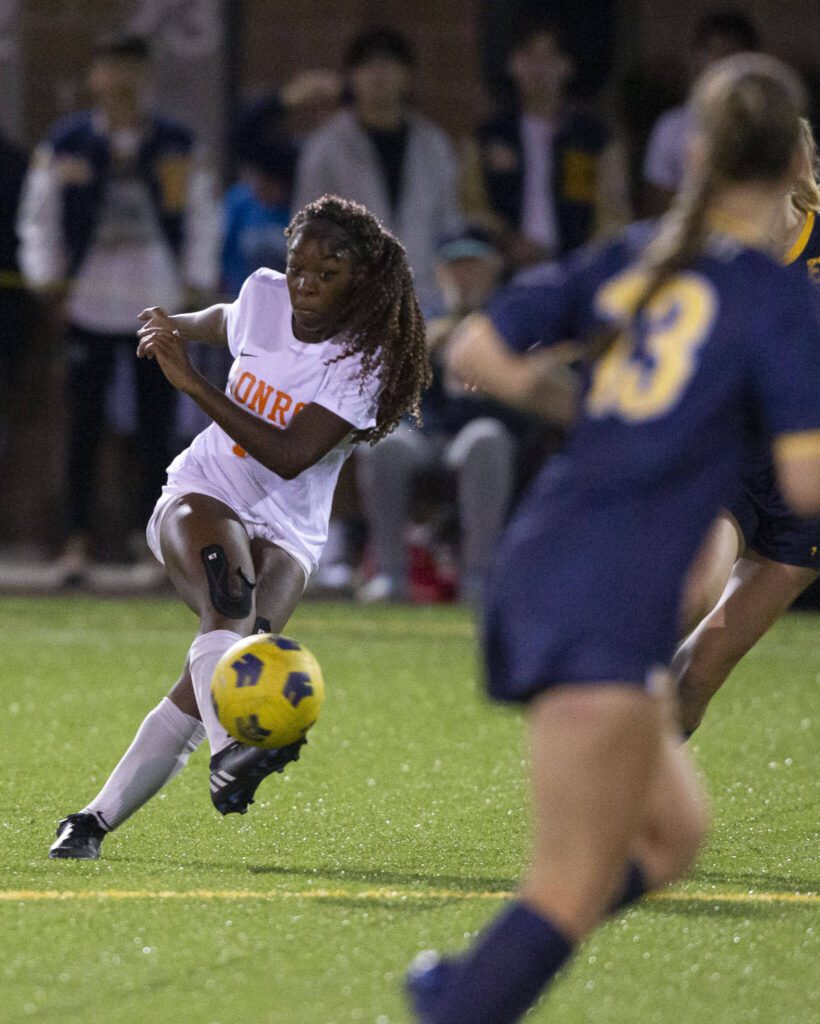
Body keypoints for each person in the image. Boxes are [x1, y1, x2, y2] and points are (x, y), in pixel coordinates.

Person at [404, 54, 820, 1024]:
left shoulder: (637, 253)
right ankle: (464, 1003)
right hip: (599, 586)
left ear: (700, 154)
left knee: (673, 835)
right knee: (566, 882)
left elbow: (467, 345)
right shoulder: (775, 300)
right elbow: (805, 480)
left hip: (564, 558)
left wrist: (579, 401)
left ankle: (466, 983)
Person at [48, 194, 431, 860]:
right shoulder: (265, 294)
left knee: (219, 673)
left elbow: (287, 455)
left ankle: (91, 822)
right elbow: (230, 318)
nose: (305, 284)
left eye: (327, 273)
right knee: (230, 602)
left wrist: (193, 384)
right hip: (206, 488)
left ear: (363, 280)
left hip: (290, 529)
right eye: (297, 266)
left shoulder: (363, 362)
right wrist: (178, 324)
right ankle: (236, 756)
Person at [16, 33, 220, 581]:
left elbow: (200, 209)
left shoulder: (175, 142)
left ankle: (152, 545)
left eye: (132, 68)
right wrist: (49, 281)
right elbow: (42, 213)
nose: (122, 81)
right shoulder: (70, 142)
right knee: (83, 423)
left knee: (157, 425)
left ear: (147, 75)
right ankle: (76, 542)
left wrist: (195, 281)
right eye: (112, 68)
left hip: (156, 295)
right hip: (88, 297)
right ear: (96, 77)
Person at [673, 117, 820, 736]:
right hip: (731, 458)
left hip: (808, 488)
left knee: (703, 671)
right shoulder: (710, 248)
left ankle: (634, 809)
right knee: (688, 598)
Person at [357, 226, 527, 604]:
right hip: (424, 435)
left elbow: (528, 397)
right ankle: (390, 577)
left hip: (480, 436)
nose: (464, 276)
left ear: (494, 269)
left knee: (486, 438)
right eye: (455, 267)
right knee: (385, 444)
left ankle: (478, 579)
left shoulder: (512, 319)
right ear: (439, 273)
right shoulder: (418, 317)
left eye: (473, 266)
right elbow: (381, 394)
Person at [293, 28, 463, 313]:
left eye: (388, 65)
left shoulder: (433, 145)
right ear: (352, 77)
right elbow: (307, 228)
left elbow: (450, 223)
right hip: (350, 302)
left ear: (407, 75)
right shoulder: (326, 147)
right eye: (367, 66)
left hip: (426, 298)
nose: (378, 75)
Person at [469, 14, 631, 270]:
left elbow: (613, 212)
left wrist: (587, 261)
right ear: (512, 63)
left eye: (550, 57)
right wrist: (507, 240)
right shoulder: (490, 135)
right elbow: (470, 205)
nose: (538, 67)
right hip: (503, 271)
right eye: (528, 55)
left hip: (574, 271)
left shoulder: (591, 137)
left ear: (567, 65)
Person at [643, 10, 760, 215]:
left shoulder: (767, 125)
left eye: (732, 55)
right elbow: (660, 206)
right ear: (696, 58)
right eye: (714, 53)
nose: (723, 67)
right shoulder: (672, 126)